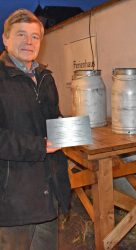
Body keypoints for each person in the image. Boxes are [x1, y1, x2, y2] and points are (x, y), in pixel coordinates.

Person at [0, 9, 71, 249]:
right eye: (20, 35)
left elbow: (50, 118)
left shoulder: (45, 77)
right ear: (5, 39)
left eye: (35, 36)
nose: (28, 42)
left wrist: (70, 128)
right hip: (13, 198)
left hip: (49, 190)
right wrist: (39, 146)